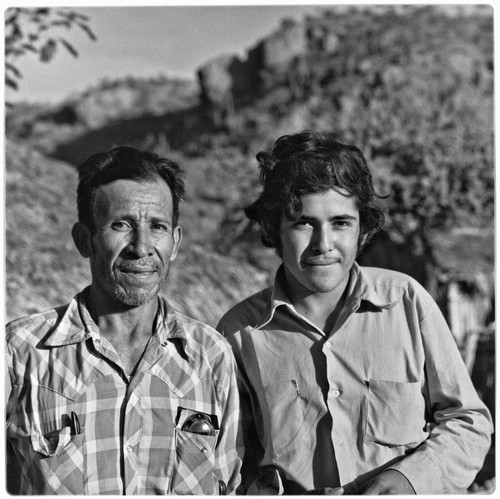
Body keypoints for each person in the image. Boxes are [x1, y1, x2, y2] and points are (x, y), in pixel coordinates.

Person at [217, 131, 492, 495]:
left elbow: (468, 420)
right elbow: (233, 458)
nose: (323, 244)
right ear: (273, 228)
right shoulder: (238, 333)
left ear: (362, 228)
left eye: (341, 223)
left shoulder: (406, 303)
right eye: (303, 222)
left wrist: (412, 479)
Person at [6, 146, 241, 495]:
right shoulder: (20, 352)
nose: (141, 246)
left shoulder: (210, 357)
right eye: (121, 225)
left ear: (175, 243)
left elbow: (231, 485)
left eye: (157, 226)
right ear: (84, 240)